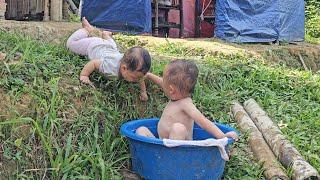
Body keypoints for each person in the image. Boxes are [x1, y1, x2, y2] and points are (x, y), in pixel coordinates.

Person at [136, 59, 238, 140]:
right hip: (161, 144)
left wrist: (222, 136)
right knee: (141, 130)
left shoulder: (186, 104)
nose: (162, 82)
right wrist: (149, 75)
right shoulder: (175, 95)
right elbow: (163, 83)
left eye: (164, 79)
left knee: (178, 128)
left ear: (171, 89)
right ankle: (153, 156)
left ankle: (172, 162)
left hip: (181, 150)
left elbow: (203, 121)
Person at [66, 17, 151, 101]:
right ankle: (86, 29)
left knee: (112, 46)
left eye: (137, 78)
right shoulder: (110, 67)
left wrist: (143, 91)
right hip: (94, 46)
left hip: (110, 49)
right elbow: (94, 63)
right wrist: (84, 75)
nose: (136, 80)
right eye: (134, 78)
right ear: (124, 68)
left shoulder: (132, 68)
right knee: (70, 45)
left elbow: (141, 77)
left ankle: (106, 35)